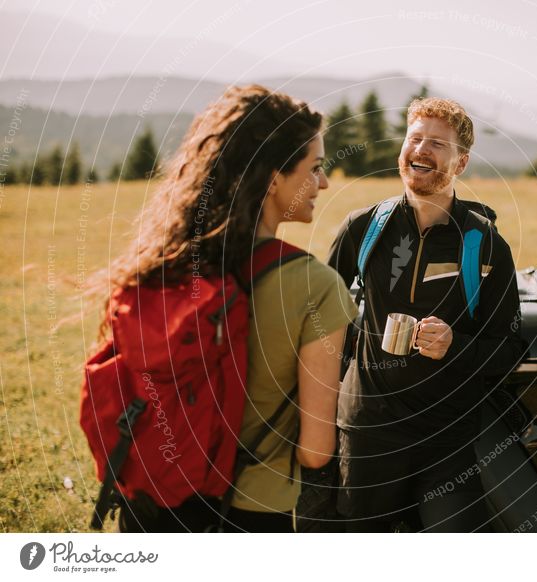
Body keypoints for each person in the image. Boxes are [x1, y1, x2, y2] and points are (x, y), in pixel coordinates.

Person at [98, 85, 357, 532]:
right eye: (315, 169)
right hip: (249, 514)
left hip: (153, 496)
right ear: (274, 179)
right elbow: (315, 451)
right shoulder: (314, 286)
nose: (325, 182)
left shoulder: (167, 264)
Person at [328, 97, 527, 532]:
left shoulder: (487, 246)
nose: (421, 149)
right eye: (415, 138)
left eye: (437, 143)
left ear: (461, 162)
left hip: (446, 441)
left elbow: (509, 348)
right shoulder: (362, 228)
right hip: (366, 436)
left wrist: (454, 345)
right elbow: (319, 319)